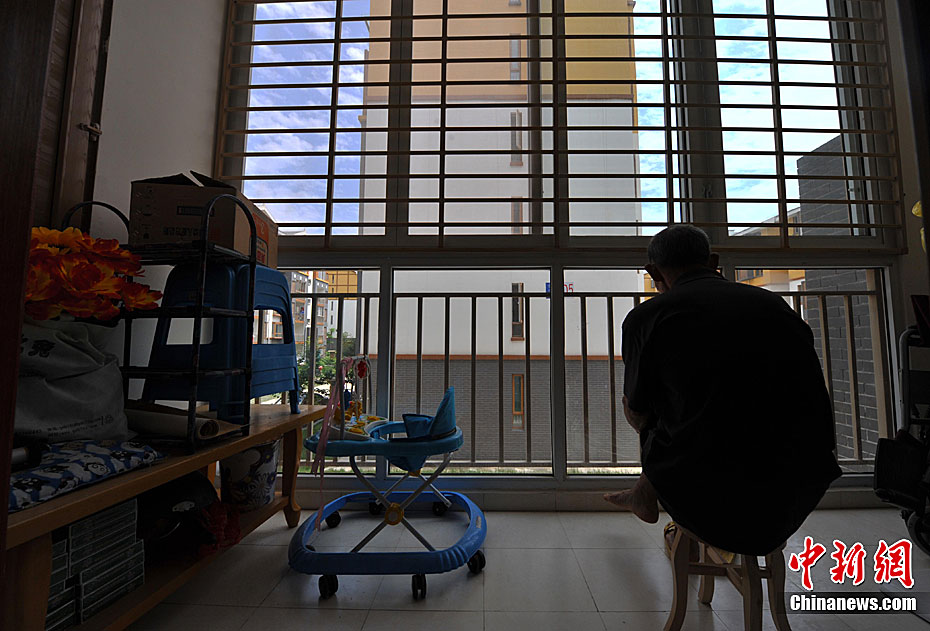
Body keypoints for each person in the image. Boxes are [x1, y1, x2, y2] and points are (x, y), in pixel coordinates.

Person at [604, 225, 841, 556]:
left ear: (653, 272)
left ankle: (648, 492)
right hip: (799, 482)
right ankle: (645, 492)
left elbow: (638, 409)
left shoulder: (649, 316)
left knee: (646, 408)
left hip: (711, 489)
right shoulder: (774, 305)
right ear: (713, 261)